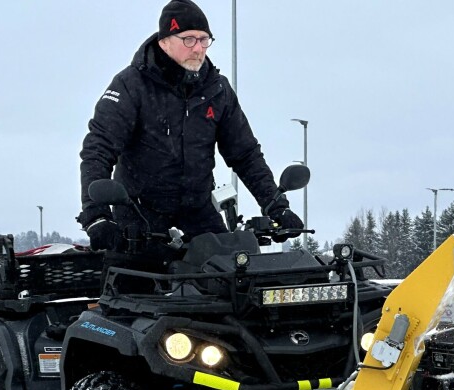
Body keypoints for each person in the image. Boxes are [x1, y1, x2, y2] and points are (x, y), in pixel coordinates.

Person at [77, 0, 303, 252]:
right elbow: (98, 149)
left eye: (204, 39)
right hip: (139, 212)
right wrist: (96, 214)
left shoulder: (217, 90)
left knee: (230, 274)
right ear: (165, 42)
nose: (198, 48)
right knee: (134, 283)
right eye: (189, 40)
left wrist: (276, 205)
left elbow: (245, 154)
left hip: (198, 210)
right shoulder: (130, 86)